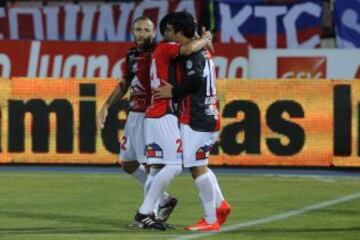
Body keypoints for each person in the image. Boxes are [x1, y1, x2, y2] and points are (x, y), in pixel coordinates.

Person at [133, 13, 214, 231]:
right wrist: (205, 39)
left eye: (168, 30)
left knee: (156, 168)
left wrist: (201, 38)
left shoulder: (162, 50)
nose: (165, 34)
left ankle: (149, 214)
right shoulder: (166, 46)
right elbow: (188, 48)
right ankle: (144, 212)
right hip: (162, 113)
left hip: (156, 113)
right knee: (174, 165)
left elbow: (190, 47)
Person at [153, 11, 231, 231]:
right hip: (207, 113)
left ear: (179, 32)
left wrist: (174, 91)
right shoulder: (202, 48)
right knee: (200, 164)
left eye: (169, 30)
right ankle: (220, 204)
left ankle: (209, 219)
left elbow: (195, 80)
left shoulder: (191, 53)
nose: (166, 34)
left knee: (197, 167)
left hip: (196, 115)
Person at [96, 16, 176, 227]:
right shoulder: (132, 54)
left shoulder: (160, 52)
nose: (142, 34)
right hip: (134, 114)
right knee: (128, 163)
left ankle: (150, 213)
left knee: (152, 166)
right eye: (138, 29)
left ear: (153, 33)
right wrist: (105, 106)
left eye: (146, 30)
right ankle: (164, 198)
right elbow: (124, 83)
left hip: (151, 114)